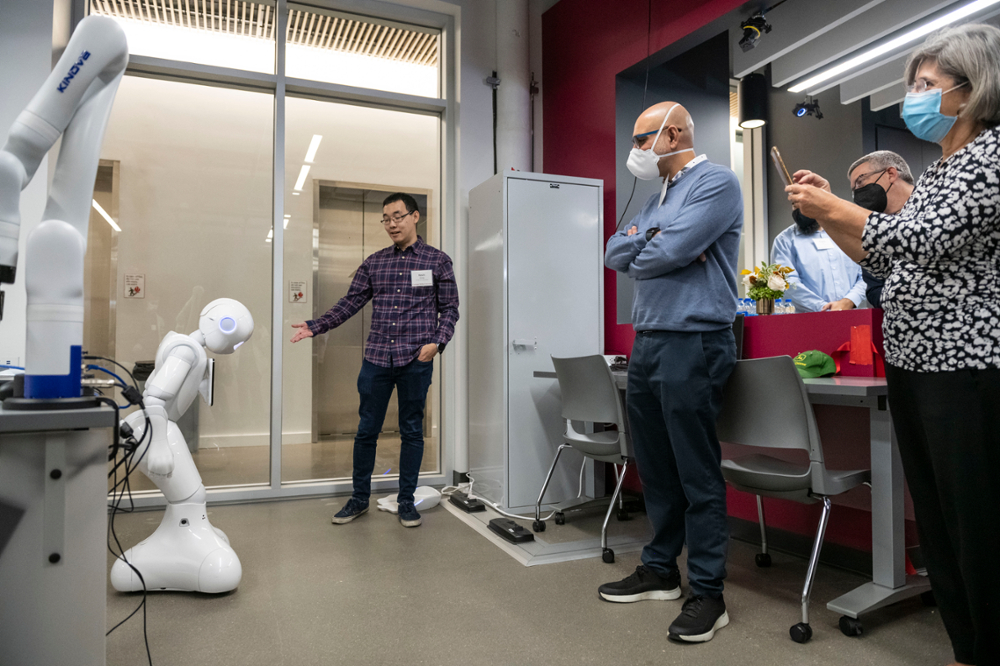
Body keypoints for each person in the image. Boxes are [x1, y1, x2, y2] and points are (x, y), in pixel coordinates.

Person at [786, 24, 1000, 666]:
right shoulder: (940, 170)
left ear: (973, 89)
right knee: (938, 521)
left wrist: (832, 203)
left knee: (976, 524)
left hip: (964, 366)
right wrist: (827, 213)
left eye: (926, 85)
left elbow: (920, 240)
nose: (914, 96)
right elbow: (880, 253)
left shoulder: (990, 157)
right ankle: (967, 647)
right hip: (917, 364)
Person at [602, 101, 742, 643]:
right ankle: (661, 569)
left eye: (642, 139)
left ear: (675, 133)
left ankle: (708, 592)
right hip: (650, 341)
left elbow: (670, 251)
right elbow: (617, 253)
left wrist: (658, 242)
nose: (634, 150)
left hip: (696, 340)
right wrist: (654, 238)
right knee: (655, 467)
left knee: (695, 472)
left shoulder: (716, 182)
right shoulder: (661, 194)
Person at [290, 193, 459, 529]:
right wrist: (316, 325)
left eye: (397, 216)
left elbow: (450, 309)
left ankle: (406, 501)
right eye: (386, 218)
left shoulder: (437, 260)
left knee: (412, 431)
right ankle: (358, 498)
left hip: (416, 358)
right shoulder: (375, 262)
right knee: (366, 430)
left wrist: (437, 344)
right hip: (377, 359)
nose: (391, 224)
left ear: (415, 217)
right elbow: (349, 303)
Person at [795, 151, 916, 308]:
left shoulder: (929, 207)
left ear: (891, 174)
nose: (857, 192)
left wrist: (829, 203)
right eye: (853, 189)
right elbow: (873, 282)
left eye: (860, 182)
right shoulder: (873, 234)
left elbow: (916, 240)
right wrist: (822, 212)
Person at [771, 207, 866, 313]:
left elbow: (867, 275)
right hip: (807, 321)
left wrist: (848, 301)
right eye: (794, 204)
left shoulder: (850, 234)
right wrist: (824, 308)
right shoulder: (784, 241)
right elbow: (788, 283)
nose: (799, 207)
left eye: (804, 202)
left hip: (853, 316)